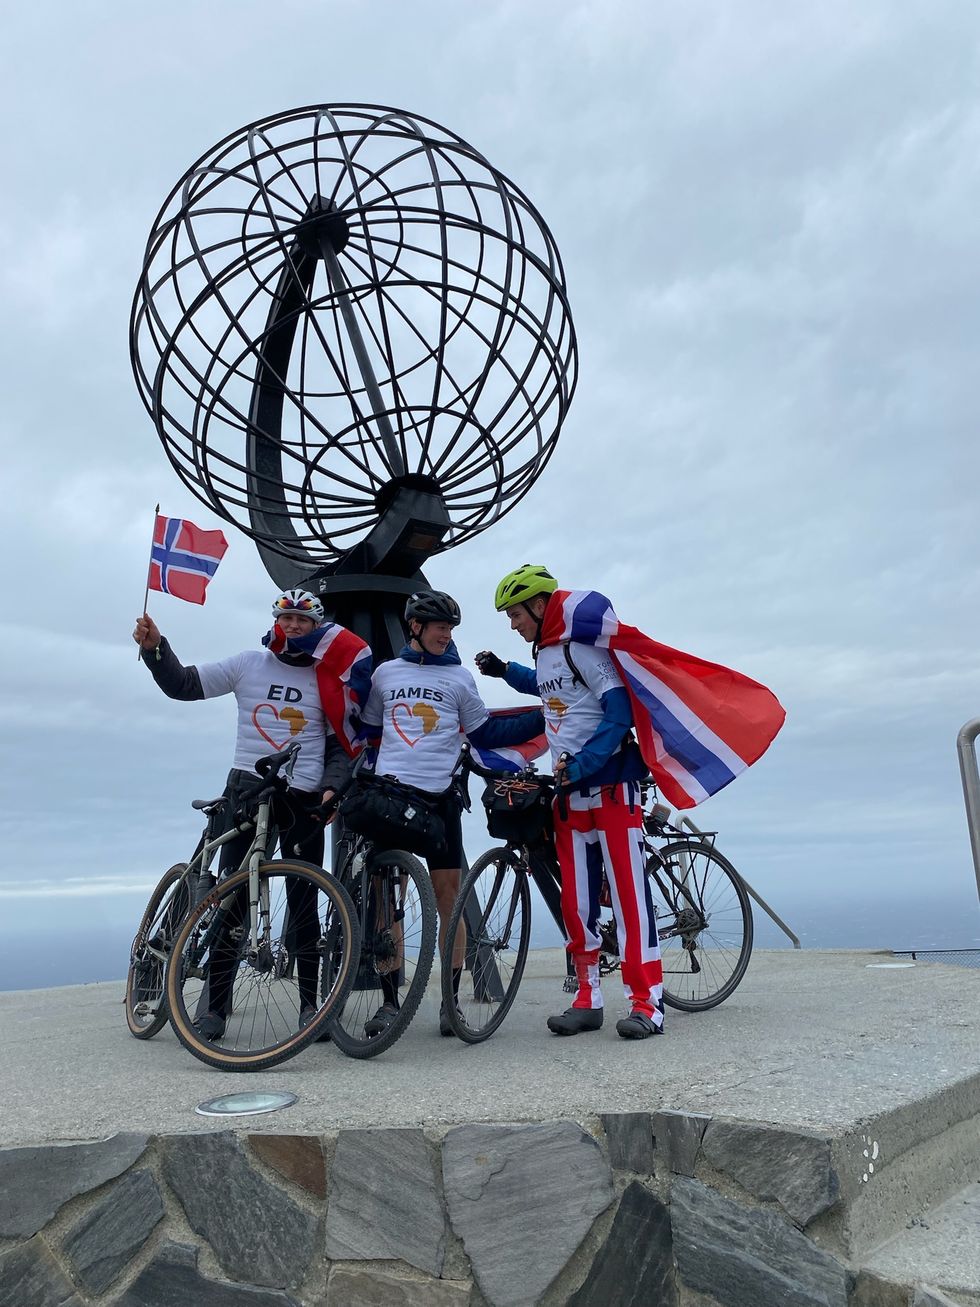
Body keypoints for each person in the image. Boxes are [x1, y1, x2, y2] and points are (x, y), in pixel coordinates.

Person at [133, 588, 366, 1040]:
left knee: (304, 903)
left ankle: (310, 1008)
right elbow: (184, 684)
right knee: (232, 896)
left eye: (303, 619)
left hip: (302, 797)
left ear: (317, 625)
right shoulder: (248, 664)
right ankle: (214, 1008)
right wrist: (156, 649)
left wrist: (333, 788)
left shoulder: (329, 677)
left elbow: (342, 743)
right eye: (287, 618)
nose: (294, 626)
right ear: (276, 621)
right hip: (247, 790)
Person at [476, 564, 664, 1040]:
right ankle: (588, 998)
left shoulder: (583, 648)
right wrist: (504, 671)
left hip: (612, 786)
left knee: (627, 898)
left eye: (516, 613)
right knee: (577, 902)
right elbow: (546, 689)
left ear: (540, 607)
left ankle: (648, 1004)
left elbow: (619, 710)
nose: (512, 623)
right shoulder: (545, 653)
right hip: (570, 796)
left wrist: (584, 763)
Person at [359, 589, 544, 1037]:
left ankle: (451, 1002)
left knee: (450, 900)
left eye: (451, 628)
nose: (447, 634)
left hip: (440, 799)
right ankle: (388, 1003)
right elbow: (366, 729)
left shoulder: (460, 678)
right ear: (416, 628)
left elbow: (485, 732)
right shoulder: (384, 674)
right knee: (388, 904)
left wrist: (547, 714)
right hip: (391, 795)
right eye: (441, 626)